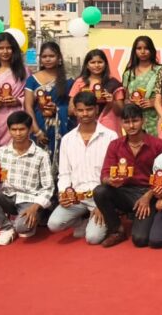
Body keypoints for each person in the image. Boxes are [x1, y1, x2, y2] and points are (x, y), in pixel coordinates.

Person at [94, 104, 162, 248]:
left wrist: (148, 196)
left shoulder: (159, 145)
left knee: (140, 240)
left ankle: (148, 217)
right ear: (121, 123)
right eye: (127, 122)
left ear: (143, 120)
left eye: (135, 121)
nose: (131, 126)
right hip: (123, 191)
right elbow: (105, 173)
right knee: (100, 191)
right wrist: (110, 180)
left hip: (148, 193)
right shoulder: (115, 145)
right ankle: (117, 231)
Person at [47, 92, 117, 245]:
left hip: (100, 197)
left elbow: (113, 174)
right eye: (80, 110)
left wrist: (103, 204)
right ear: (75, 111)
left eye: (89, 109)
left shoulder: (111, 137)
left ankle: (108, 216)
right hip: (77, 197)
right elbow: (64, 173)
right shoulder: (67, 139)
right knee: (54, 224)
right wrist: (64, 193)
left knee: (93, 238)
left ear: (96, 109)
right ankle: (82, 222)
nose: (85, 114)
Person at [0, 112, 53, 246]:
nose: (18, 133)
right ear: (9, 130)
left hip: (30, 201)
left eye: (22, 129)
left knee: (22, 228)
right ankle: (6, 227)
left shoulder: (41, 155)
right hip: (7, 198)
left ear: (30, 129)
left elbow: (48, 188)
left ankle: (36, 217)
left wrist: (35, 207)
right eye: (14, 129)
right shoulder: (2, 152)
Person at [23, 41, 72, 169]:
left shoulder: (69, 80)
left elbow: (73, 107)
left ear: (59, 58)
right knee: (38, 162)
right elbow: (28, 106)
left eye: (51, 56)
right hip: (39, 125)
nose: (48, 59)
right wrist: (37, 131)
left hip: (62, 127)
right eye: (44, 56)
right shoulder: (32, 80)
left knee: (61, 161)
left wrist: (58, 109)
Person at [0, 32, 27, 146]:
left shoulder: (24, 71)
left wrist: (18, 100)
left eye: (8, 48)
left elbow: (32, 96)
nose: (5, 51)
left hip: (17, 119)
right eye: (1, 48)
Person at [69, 49, 125, 134]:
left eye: (100, 62)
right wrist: (86, 105)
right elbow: (70, 110)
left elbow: (121, 112)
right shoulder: (80, 82)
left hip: (109, 126)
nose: (96, 65)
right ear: (87, 65)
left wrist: (112, 102)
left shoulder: (114, 83)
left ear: (105, 64)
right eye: (92, 62)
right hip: (86, 126)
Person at [122, 36, 162, 136]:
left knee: (156, 144)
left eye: (146, 48)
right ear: (134, 51)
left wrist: (154, 102)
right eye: (139, 48)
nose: (143, 51)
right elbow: (125, 99)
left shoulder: (161, 71)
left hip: (156, 118)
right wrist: (130, 102)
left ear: (152, 50)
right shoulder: (129, 73)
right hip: (134, 119)